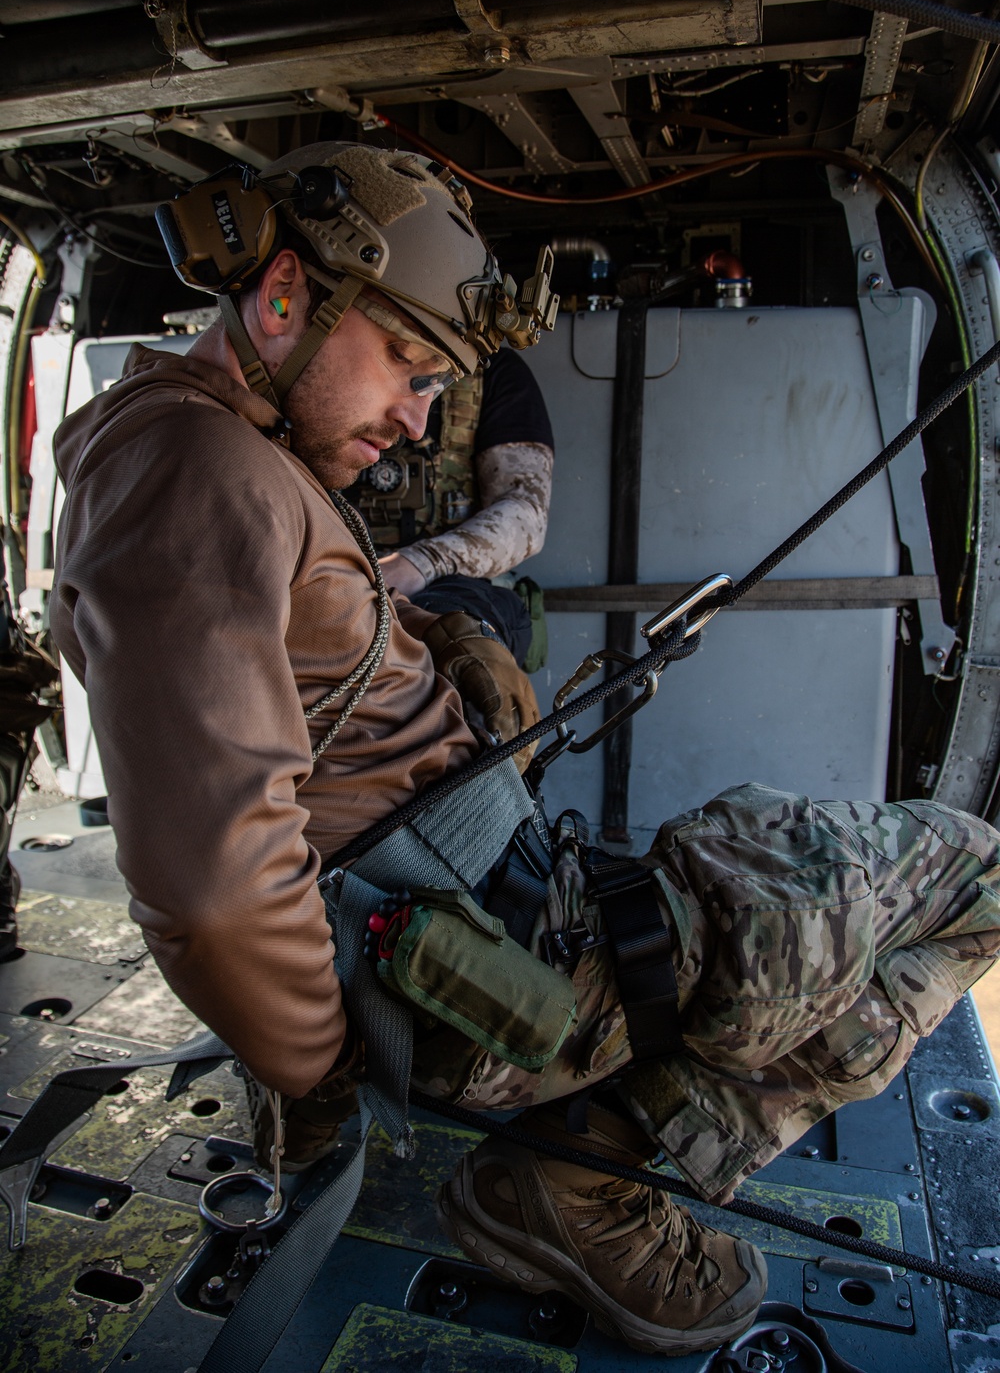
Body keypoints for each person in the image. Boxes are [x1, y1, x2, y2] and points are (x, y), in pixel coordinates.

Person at [49, 143, 1000, 1359]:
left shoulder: (208, 445)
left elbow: (300, 646)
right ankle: (589, 1179)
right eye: (406, 363)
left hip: (486, 908)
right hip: (491, 970)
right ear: (285, 294)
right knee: (965, 869)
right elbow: (209, 891)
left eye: (438, 386)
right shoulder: (196, 468)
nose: (414, 419)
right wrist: (327, 1081)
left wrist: (440, 636)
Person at [348, 341, 554, 668]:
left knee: (459, 647)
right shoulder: (353, 349)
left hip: (452, 584)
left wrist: (417, 564)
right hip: (340, 570)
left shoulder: (495, 372)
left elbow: (525, 518)